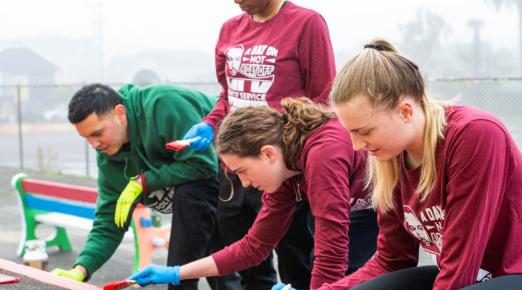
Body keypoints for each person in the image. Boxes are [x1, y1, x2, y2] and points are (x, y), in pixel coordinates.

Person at [319, 39, 522, 290]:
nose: (356, 145)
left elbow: (461, 267)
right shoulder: (392, 158)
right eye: (350, 133)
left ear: (404, 111)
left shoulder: (475, 134)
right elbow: (392, 260)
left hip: (510, 273)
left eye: (365, 131)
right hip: (465, 274)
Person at [128, 97, 379, 289]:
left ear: (268, 153)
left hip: (392, 207)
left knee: (347, 270)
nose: (245, 184)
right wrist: (176, 272)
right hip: (364, 209)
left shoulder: (322, 154)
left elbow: (331, 252)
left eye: (243, 171)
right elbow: (253, 247)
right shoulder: (285, 173)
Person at [182, 1, 337, 289]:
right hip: (238, 168)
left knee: (295, 259)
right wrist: (210, 123)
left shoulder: (306, 23)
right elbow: (228, 95)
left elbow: (323, 99)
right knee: (249, 259)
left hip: (281, 168)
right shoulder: (230, 29)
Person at [51, 83, 241, 290]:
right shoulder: (108, 159)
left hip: (241, 172)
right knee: (219, 266)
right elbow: (109, 220)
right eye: (86, 138)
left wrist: (144, 181)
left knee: (253, 269)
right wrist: (81, 269)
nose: (94, 144)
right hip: (204, 198)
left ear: (120, 114)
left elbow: (203, 165)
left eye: (97, 133)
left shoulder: (164, 105)